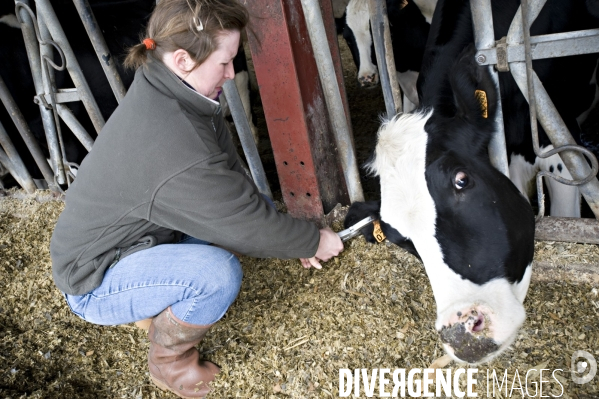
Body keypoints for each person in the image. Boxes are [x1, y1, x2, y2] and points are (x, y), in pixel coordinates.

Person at [49, 0, 344, 397]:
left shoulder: (169, 88)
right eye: (224, 62)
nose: (232, 72)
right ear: (184, 59)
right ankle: (169, 363)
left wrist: (288, 236)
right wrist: (312, 240)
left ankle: (155, 303)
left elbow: (230, 190)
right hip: (94, 279)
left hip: (138, 240)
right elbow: (241, 221)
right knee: (216, 273)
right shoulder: (175, 141)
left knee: (229, 234)